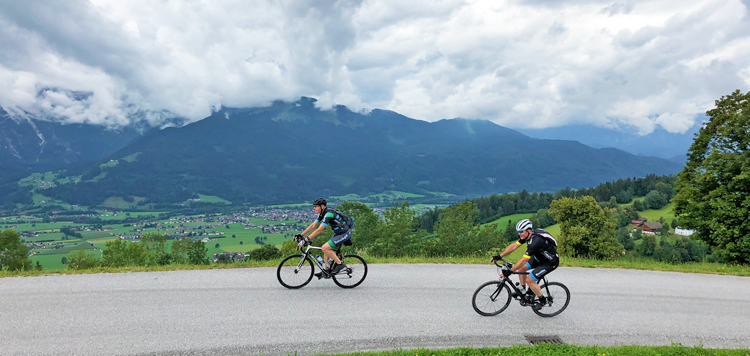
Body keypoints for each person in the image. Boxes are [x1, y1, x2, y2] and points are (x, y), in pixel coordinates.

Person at [491, 219, 559, 311]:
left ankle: (543, 300)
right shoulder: (527, 236)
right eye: (518, 231)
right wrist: (499, 256)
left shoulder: (535, 242)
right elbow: (514, 246)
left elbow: (524, 260)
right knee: (522, 268)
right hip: (538, 259)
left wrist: (510, 271)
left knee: (530, 280)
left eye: (520, 231)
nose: (519, 234)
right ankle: (522, 290)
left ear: (528, 231)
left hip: (549, 262)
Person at [295, 198, 350, 279]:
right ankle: (326, 270)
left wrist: (306, 240)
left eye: (316, 206)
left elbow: (319, 230)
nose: (314, 208)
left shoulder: (328, 214)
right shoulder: (322, 213)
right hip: (338, 233)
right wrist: (301, 235)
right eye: (314, 206)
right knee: (326, 248)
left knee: (325, 248)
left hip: (344, 233)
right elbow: (313, 225)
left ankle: (340, 264)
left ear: (322, 206)